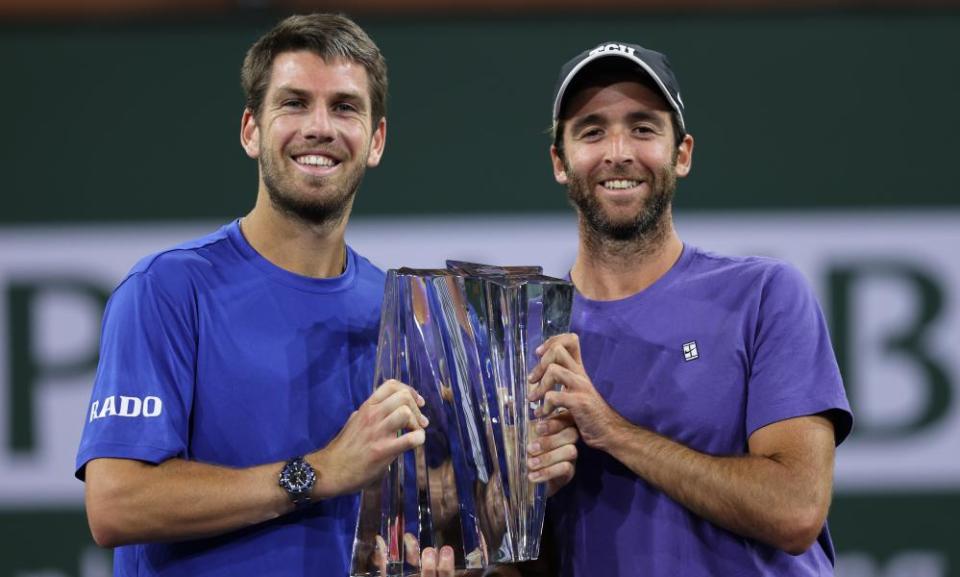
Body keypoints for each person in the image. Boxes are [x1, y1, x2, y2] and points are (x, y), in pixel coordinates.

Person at [74, 14, 575, 577]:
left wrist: (517, 495)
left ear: (376, 139)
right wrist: (318, 473)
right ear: (251, 131)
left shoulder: (411, 314)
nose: (319, 127)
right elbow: (115, 503)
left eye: (344, 107)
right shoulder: (167, 290)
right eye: (293, 103)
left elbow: (448, 519)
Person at [526, 41, 854, 576]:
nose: (618, 152)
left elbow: (796, 510)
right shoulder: (529, 334)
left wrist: (611, 431)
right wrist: (514, 499)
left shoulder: (765, 294)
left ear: (682, 154)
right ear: (560, 162)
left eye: (643, 128)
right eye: (591, 131)